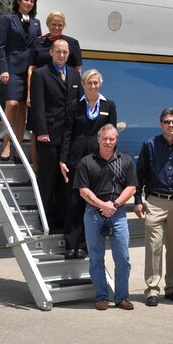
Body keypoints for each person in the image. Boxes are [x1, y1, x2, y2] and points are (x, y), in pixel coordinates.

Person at [75, 124, 138, 310]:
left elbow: (132, 187)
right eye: (105, 138)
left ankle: (121, 298)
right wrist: (103, 206)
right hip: (94, 214)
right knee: (96, 258)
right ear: (99, 139)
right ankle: (101, 297)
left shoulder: (125, 161)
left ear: (116, 140)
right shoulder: (86, 162)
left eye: (112, 139)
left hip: (118, 215)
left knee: (123, 258)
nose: (108, 142)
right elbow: (82, 190)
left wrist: (115, 205)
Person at [134, 108, 173, 307]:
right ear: (160, 124)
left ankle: (172, 288)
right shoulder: (149, 145)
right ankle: (152, 289)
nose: (171, 125)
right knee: (153, 247)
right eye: (167, 121)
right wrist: (137, 200)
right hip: (155, 202)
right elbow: (138, 175)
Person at [27, 39, 83, 240]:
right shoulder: (41, 74)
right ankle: (45, 219)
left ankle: (61, 219)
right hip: (49, 135)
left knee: (64, 180)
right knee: (47, 178)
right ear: (51, 53)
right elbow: (38, 106)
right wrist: (41, 130)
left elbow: (80, 104)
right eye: (58, 52)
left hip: (68, 136)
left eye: (65, 52)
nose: (61, 55)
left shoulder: (75, 74)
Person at [59, 70, 116, 259]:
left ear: (100, 84)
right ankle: (70, 244)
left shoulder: (109, 105)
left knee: (90, 205)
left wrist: (111, 159)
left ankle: (84, 245)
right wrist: (63, 159)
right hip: (76, 160)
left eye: (96, 83)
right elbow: (67, 133)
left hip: (98, 161)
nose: (93, 86)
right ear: (83, 84)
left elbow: (112, 135)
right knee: (73, 203)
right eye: (89, 83)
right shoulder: (75, 105)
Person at [27, 10, 82, 167]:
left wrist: (77, 92)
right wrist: (30, 92)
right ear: (47, 24)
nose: (57, 27)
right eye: (54, 24)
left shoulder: (72, 43)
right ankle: (37, 168)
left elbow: (78, 69)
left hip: (62, 91)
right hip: (40, 89)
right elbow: (31, 67)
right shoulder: (39, 42)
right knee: (36, 129)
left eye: (60, 25)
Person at [0, 0, 41, 161]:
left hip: (29, 70)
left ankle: (18, 146)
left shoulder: (36, 23)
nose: (29, 3)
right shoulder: (8, 19)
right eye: (26, 0)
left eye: (32, 1)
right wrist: (3, 69)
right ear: (18, 1)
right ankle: (6, 141)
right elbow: (0, 46)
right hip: (12, 68)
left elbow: (37, 47)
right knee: (12, 104)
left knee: (23, 108)